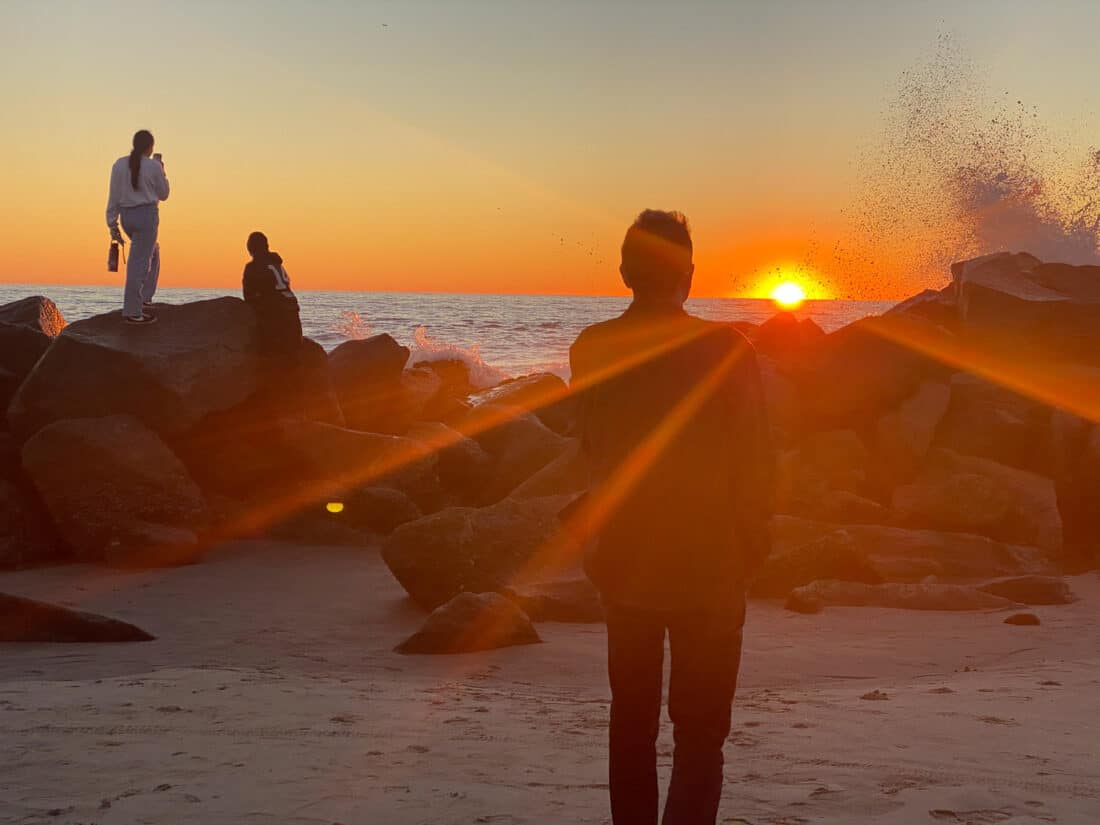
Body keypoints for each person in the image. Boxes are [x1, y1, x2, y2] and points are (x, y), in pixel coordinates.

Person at [568, 210, 775, 825]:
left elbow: (589, 451)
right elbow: (757, 460)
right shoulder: (727, 351)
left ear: (625, 272)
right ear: (688, 273)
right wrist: (751, 547)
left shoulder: (593, 347)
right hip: (710, 565)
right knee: (701, 735)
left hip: (624, 559)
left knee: (630, 724)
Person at [105, 129, 170, 325]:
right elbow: (164, 194)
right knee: (139, 264)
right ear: (150, 147)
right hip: (146, 217)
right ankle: (133, 312)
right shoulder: (153, 166)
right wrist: (162, 169)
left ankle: (143, 299)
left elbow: (113, 195)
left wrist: (112, 223)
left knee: (152, 252)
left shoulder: (119, 164)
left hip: (127, 217)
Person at [242, 231, 302, 355]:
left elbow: (248, 296)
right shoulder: (277, 264)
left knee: (270, 358)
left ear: (251, 248)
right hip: (292, 312)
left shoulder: (254, 266)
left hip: (275, 315)